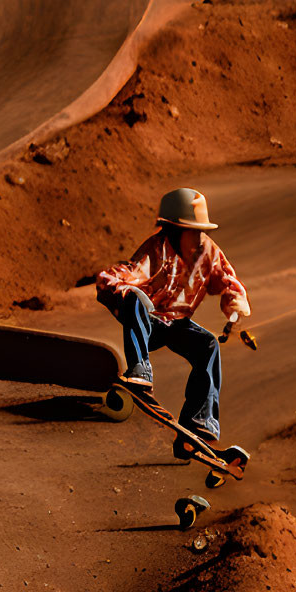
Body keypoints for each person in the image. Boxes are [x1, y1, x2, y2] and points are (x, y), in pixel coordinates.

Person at [95, 187, 250, 456]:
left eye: (203, 231)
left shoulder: (208, 253)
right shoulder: (156, 250)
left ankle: (199, 422)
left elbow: (227, 280)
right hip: (148, 325)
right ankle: (140, 371)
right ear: (173, 230)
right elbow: (130, 274)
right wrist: (116, 287)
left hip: (177, 325)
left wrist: (234, 304)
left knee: (208, 345)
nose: (199, 238)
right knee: (135, 298)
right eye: (193, 231)